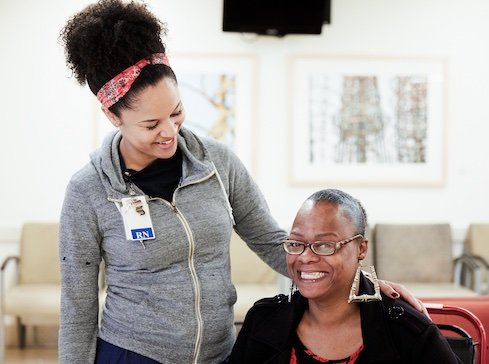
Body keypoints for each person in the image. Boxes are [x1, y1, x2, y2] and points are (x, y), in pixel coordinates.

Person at [58, 1, 430, 363]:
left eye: (176, 113)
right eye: (151, 125)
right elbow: (78, 300)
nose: (169, 132)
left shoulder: (216, 162)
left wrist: (356, 281)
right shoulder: (88, 190)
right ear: (112, 115)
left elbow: (270, 239)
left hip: (221, 352)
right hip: (134, 354)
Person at [229, 189, 460, 364]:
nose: (306, 257)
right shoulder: (263, 322)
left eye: (325, 245)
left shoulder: (405, 329)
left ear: (361, 249)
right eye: (297, 243)